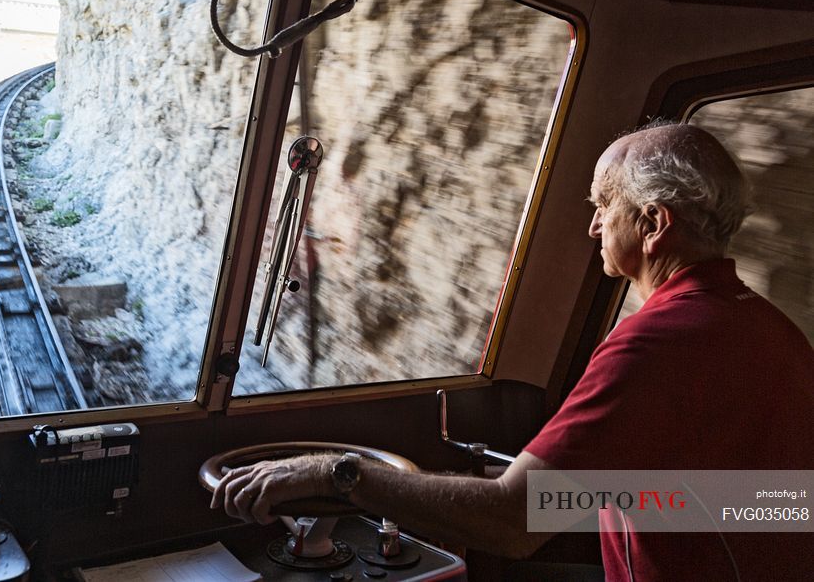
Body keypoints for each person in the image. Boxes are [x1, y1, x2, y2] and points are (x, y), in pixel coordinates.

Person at [212, 123, 814, 580]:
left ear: (654, 223)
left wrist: (337, 475)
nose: (594, 226)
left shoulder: (658, 341)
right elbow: (754, 500)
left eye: (604, 205)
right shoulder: (770, 330)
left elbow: (515, 520)